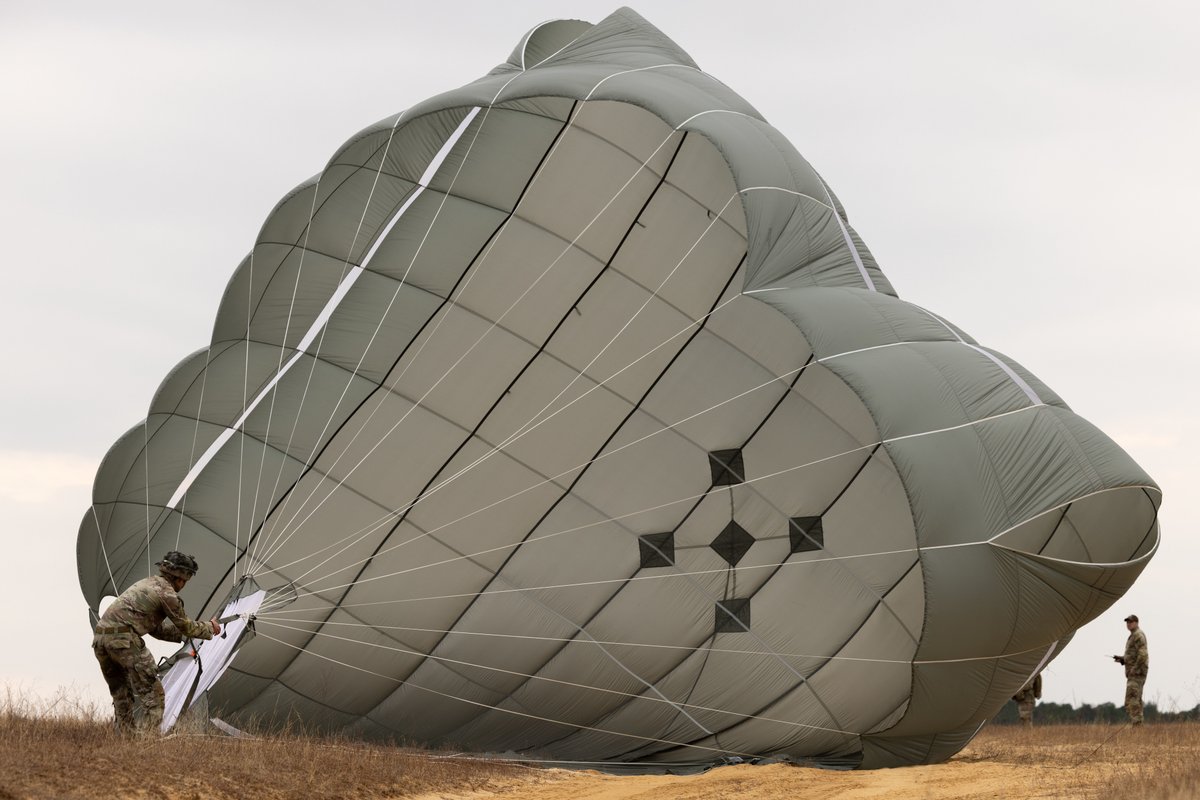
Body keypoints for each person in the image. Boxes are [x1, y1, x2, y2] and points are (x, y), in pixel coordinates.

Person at [92, 551, 221, 735]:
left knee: (121, 695)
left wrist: (185, 637)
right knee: (154, 696)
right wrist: (210, 627)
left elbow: (157, 630)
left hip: (100, 640)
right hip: (125, 639)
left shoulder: (147, 584)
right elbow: (187, 626)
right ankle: (147, 744)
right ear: (180, 579)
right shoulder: (167, 594)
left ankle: (127, 743)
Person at [1112, 614, 1149, 726]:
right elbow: (1134, 655)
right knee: (1135, 699)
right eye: (1127, 622)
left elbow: (1143, 655)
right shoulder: (1133, 636)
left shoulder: (1138, 635)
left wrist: (1134, 669)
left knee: (1131, 699)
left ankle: (1137, 725)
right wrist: (1123, 659)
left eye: (1131, 622)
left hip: (1137, 673)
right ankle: (1138, 724)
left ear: (1136, 622)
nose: (1129, 624)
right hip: (1135, 672)